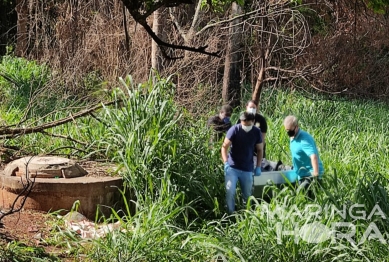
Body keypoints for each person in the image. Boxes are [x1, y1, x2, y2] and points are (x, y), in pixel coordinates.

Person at [221, 112, 263, 214]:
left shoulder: (256, 132)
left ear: (253, 122)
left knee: (247, 195)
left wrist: (258, 166)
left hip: (247, 168)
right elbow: (224, 147)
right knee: (230, 191)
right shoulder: (234, 130)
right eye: (243, 124)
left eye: (248, 124)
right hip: (232, 167)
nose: (245, 126)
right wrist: (226, 162)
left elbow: (260, 150)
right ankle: (230, 214)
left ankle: (246, 215)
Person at [283, 115, 324, 198]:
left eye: (290, 130)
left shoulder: (304, 139)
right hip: (301, 175)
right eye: (287, 130)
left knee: (302, 198)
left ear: (296, 127)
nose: (289, 133)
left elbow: (313, 156)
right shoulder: (293, 136)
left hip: (310, 175)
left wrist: (315, 175)